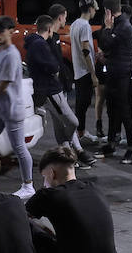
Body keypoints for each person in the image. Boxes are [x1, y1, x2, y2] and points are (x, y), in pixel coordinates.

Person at [25, 146, 121, 253]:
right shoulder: (94, 188)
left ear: (52, 173)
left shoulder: (48, 195)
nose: (44, 183)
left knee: (29, 227)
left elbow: (20, 218)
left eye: (44, 177)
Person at [26, 15, 95, 168]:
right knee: (73, 122)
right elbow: (52, 66)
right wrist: (55, 69)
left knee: (60, 123)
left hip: (48, 90)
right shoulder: (40, 44)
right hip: (51, 91)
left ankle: (67, 153)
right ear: (49, 28)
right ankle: (69, 147)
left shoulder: (35, 43)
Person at [0, 16, 35, 198]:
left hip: (11, 109)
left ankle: (28, 185)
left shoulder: (12, 54)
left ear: (11, 31)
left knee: (18, 147)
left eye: (1, 31)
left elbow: (4, 83)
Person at [99, 0, 132, 163]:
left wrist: (107, 28)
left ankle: (131, 149)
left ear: (108, 11)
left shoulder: (123, 26)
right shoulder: (119, 25)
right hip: (114, 72)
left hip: (122, 75)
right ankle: (111, 143)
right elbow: (111, 48)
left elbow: (106, 43)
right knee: (112, 110)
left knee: (124, 111)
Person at [70, 0, 100, 143]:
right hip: (85, 71)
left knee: (81, 104)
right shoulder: (85, 26)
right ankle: (78, 133)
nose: (96, 11)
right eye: (95, 8)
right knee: (83, 104)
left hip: (78, 70)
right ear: (90, 9)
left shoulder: (74, 24)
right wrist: (93, 74)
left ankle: (80, 131)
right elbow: (85, 51)